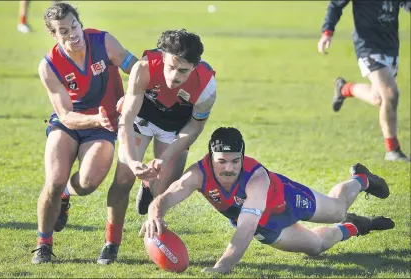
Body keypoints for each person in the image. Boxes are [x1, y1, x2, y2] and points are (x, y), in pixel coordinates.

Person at [140, 127, 395, 274]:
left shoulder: (257, 179)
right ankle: (358, 226)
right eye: (222, 161)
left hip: (286, 199)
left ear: (242, 157)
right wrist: (156, 213)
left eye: (235, 161)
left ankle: (361, 179)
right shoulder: (197, 174)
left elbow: (245, 229)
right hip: (266, 224)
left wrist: (222, 267)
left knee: (338, 209)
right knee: (316, 247)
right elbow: (166, 196)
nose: (229, 168)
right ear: (210, 157)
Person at [96, 29, 217, 264]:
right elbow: (127, 119)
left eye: (183, 70)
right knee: (122, 179)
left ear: (195, 66)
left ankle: (150, 193)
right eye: (170, 67)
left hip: (175, 129)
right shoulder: (144, 68)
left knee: (165, 190)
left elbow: (194, 129)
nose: (174, 76)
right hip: (142, 120)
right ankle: (111, 243)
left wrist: (165, 157)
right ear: (162, 57)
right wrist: (132, 162)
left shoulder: (207, 86)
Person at [31, 2, 138, 264]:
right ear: (54, 35)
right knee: (54, 181)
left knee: (88, 184)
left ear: (80, 23)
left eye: (74, 26)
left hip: (105, 125)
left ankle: (68, 194)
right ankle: (43, 244)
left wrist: (136, 90)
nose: (72, 34)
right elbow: (66, 115)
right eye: (63, 31)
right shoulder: (49, 66)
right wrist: (94, 118)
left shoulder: (103, 42)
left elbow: (136, 68)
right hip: (71, 123)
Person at [317, 0, 411, 162]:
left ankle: (344, 89)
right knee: (390, 93)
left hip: (390, 45)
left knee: (379, 98)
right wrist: (327, 31)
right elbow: (335, 5)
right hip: (368, 47)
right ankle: (392, 150)